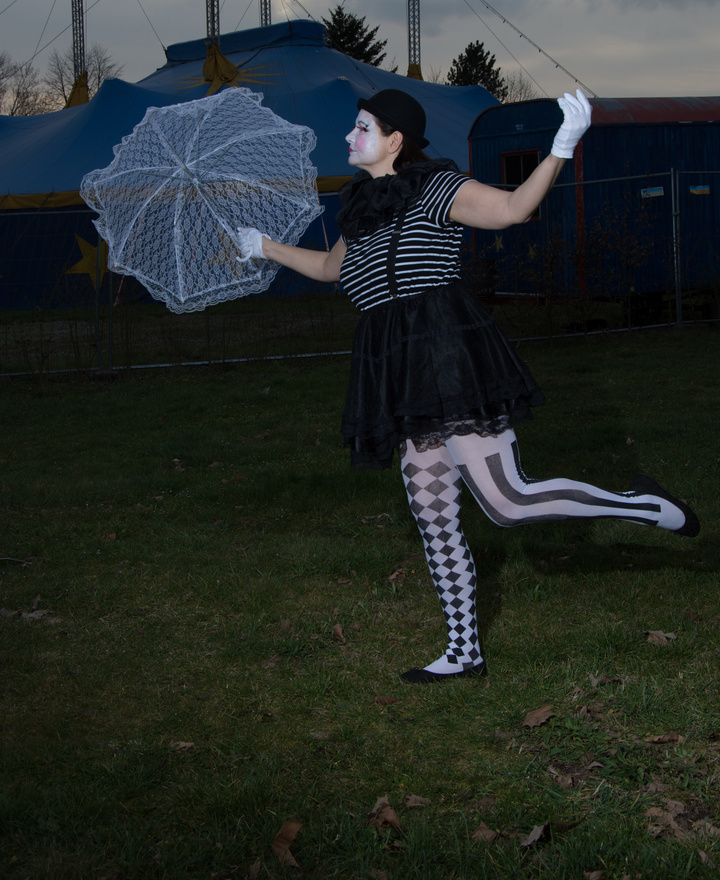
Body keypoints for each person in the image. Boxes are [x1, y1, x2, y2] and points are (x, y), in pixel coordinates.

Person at [236, 88, 699, 684]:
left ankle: (648, 506)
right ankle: (464, 651)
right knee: (433, 515)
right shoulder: (359, 208)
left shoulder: (435, 188)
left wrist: (563, 144)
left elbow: (512, 211)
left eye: (360, 128)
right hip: (395, 366)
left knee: (506, 502)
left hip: (448, 352)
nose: (349, 139)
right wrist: (265, 248)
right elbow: (332, 269)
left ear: (394, 139)